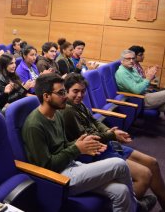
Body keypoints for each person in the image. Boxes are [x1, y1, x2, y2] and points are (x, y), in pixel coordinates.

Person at [22, 73, 151, 212]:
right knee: (119, 164)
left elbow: (64, 146)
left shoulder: (57, 114)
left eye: (65, 91)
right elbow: (46, 166)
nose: (65, 96)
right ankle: (137, 207)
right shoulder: (34, 125)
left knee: (122, 191)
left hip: (71, 165)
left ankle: (133, 206)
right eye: (61, 93)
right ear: (46, 96)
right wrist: (77, 149)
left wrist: (81, 143)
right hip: (58, 178)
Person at [63, 73, 165, 210]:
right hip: (96, 151)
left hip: (107, 143)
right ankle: (134, 206)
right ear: (66, 91)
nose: (80, 95)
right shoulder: (67, 110)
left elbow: (95, 121)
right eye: (75, 91)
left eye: (82, 91)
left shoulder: (79, 104)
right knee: (144, 175)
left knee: (152, 163)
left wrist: (109, 132)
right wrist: (111, 135)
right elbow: (87, 137)